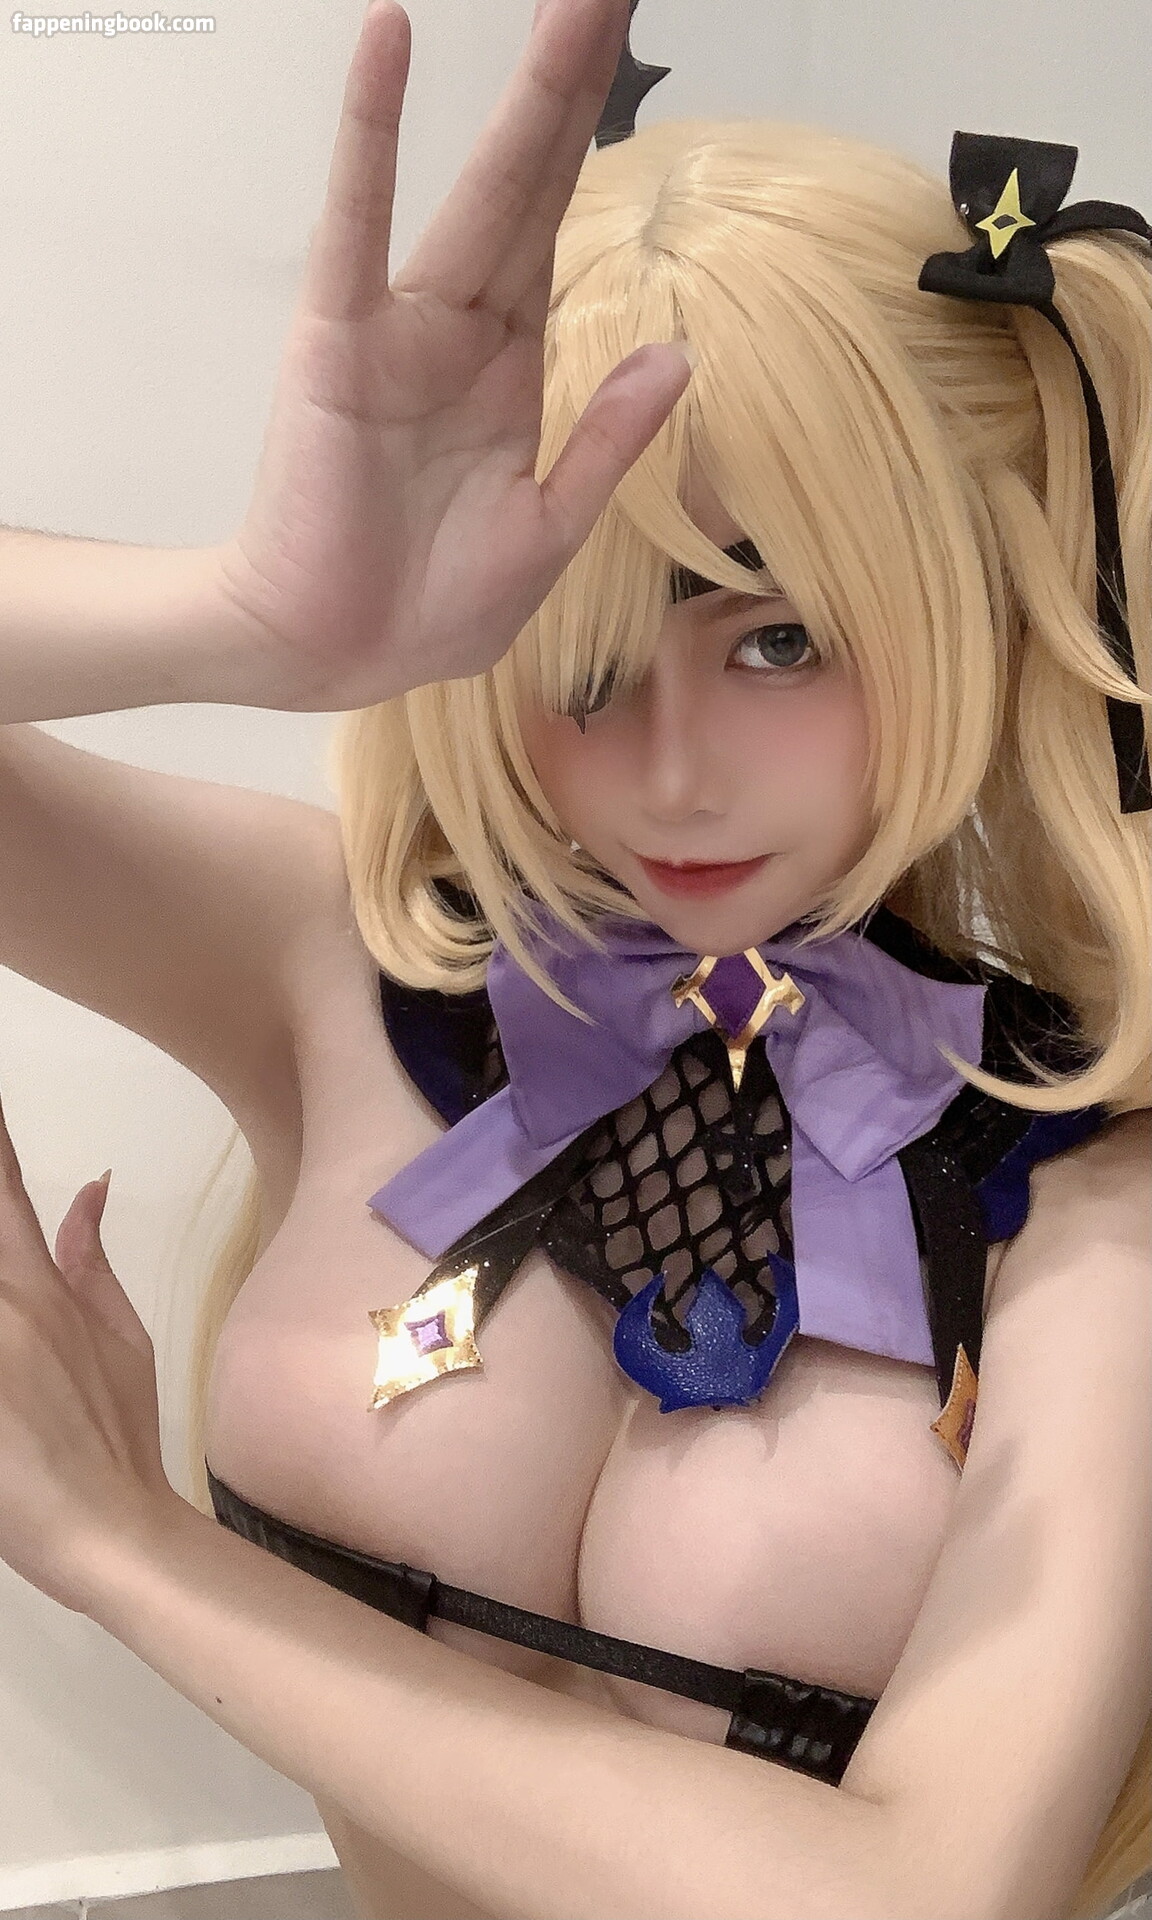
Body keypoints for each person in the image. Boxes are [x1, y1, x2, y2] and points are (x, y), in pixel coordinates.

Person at [0, 3, 1149, 1918]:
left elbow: (925, 1897)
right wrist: (243, 616)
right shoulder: (341, 963)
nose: (670, 771)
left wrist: (125, 1550)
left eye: (778, 638)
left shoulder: (1096, 1209)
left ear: (959, 597)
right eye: (576, 652)